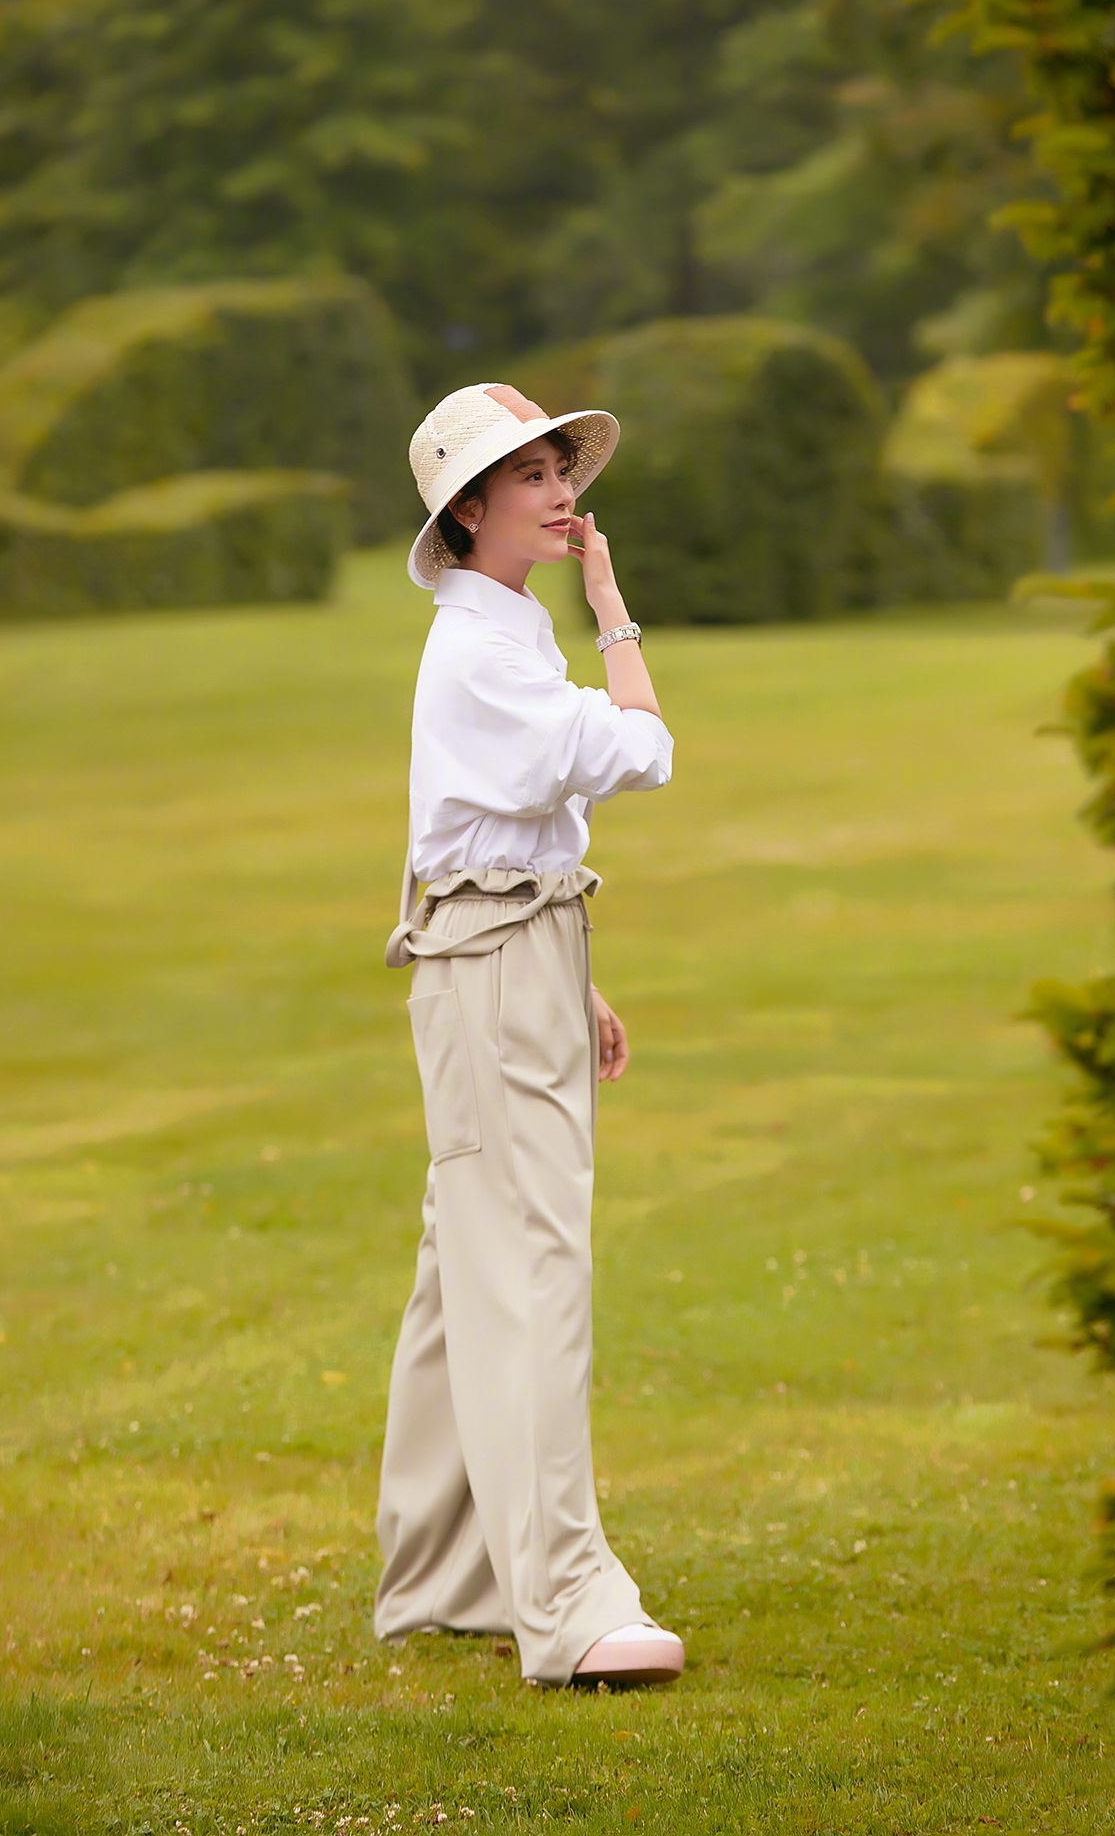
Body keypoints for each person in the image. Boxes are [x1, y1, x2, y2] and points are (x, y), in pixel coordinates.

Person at [373, 381, 683, 1689]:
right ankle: (560, 1606)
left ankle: (441, 1576)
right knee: (529, 1272)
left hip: (515, 950)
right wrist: (616, 612)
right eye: (530, 475)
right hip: (493, 964)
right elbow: (640, 751)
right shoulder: (483, 648)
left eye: (561, 467)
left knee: (471, 1273)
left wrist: (574, 977)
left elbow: (502, 832)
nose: (560, 493)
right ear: (469, 509)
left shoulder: (501, 633)